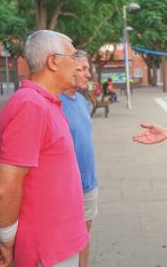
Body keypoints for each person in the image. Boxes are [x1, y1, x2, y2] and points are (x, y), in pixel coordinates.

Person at [0, 30, 89, 267]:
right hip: (46, 248)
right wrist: (6, 238)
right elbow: (6, 186)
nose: (78, 65)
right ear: (53, 61)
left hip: (60, 242)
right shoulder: (30, 106)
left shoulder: (47, 103)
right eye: (73, 56)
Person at [59, 51, 98, 267]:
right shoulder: (55, 102)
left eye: (87, 68)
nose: (87, 74)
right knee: (69, 242)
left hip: (89, 184)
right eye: (81, 69)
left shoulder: (82, 101)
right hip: (66, 190)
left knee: (85, 237)